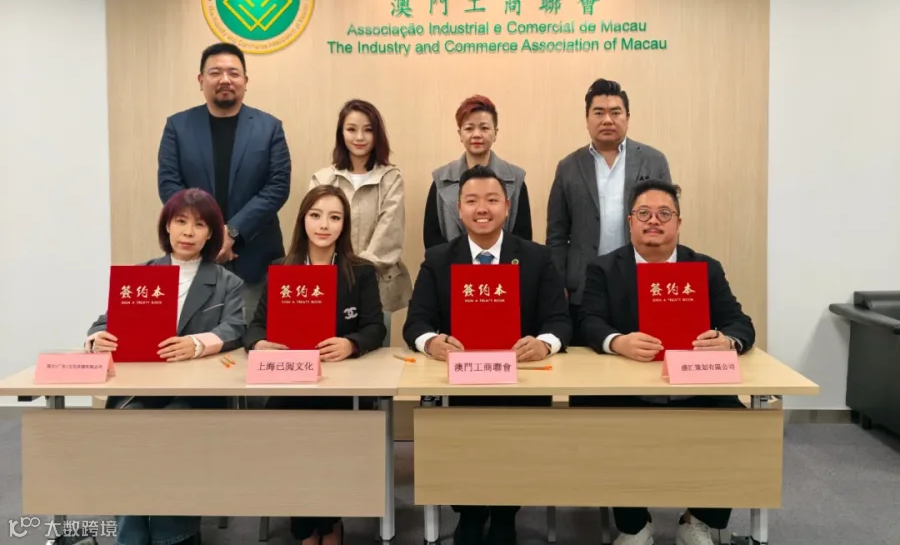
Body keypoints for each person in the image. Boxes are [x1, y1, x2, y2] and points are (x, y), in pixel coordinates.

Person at [575, 179, 756, 545]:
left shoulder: (705, 268)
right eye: (643, 213)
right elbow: (588, 321)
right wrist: (618, 341)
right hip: (627, 387)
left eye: (664, 213)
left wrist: (726, 341)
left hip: (695, 384)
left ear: (679, 222)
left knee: (735, 423)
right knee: (599, 416)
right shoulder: (604, 269)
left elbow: (740, 323)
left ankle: (697, 519)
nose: (653, 221)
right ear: (630, 222)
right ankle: (634, 525)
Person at [403, 165, 571, 545]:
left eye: (492, 200)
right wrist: (431, 342)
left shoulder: (536, 257)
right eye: (472, 201)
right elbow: (415, 323)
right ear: (458, 209)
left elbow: (560, 321)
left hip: (519, 382)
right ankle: (470, 512)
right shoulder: (438, 259)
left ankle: (506, 515)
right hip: (460, 383)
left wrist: (544, 343)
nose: (482, 209)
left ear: (507, 207)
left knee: (514, 437)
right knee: (462, 436)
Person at [86, 188, 246, 545]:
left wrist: (197, 343)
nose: (188, 232)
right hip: (139, 389)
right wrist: (97, 339)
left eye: (199, 224)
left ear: (211, 233)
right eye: (180, 221)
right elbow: (103, 322)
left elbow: (236, 328)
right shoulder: (140, 274)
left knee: (174, 429)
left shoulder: (227, 282)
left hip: (196, 393)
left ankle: (174, 535)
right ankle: (131, 536)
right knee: (129, 428)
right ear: (167, 227)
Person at [244, 185, 386, 545]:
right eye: (316, 215)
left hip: (340, 383)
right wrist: (259, 343)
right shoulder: (281, 268)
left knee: (332, 432)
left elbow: (375, 327)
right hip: (290, 380)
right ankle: (305, 525)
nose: (324, 225)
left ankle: (328, 521)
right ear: (303, 220)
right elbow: (256, 326)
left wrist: (351, 343)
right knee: (288, 433)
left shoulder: (360, 271)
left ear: (344, 225)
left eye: (335, 217)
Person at [157, 42, 291, 320]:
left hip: (255, 259)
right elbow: (170, 185)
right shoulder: (177, 127)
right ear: (201, 80)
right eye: (215, 72)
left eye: (233, 73)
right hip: (194, 253)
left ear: (245, 81)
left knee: (253, 335)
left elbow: (277, 187)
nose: (225, 80)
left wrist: (231, 232)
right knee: (194, 335)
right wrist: (207, 232)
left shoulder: (269, 128)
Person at [547, 78, 671, 340]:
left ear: (628, 117)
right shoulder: (568, 166)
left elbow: (667, 224)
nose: (607, 120)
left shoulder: (654, 161)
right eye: (599, 112)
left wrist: (665, 276)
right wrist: (558, 284)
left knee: (642, 352)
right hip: (583, 285)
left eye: (615, 112)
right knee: (587, 353)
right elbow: (557, 234)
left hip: (641, 281)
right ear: (587, 119)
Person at [310, 99, 412, 325]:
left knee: (372, 342)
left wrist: (357, 272)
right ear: (341, 133)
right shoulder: (322, 179)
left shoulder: (391, 178)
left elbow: (389, 233)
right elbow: (315, 231)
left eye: (368, 130)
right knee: (329, 344)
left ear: (377, 134)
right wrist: (339, 273)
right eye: (351, 129)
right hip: (329, 283)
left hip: (377, 283)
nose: (359, 137)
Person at [424, 95, 531, 249]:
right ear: (460, 134)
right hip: (451, 263)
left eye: (484, 128)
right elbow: (432, 239)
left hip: (504, 264)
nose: (476, 134)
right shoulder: (441, 179)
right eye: (469, 128)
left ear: (495, 133)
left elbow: (523, 239)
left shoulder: (516, 178)